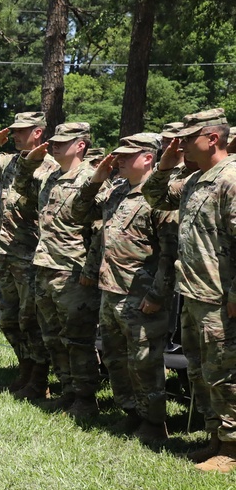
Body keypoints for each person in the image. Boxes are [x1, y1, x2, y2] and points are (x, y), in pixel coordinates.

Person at [143, 108, 236, 472]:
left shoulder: (230, 178)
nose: (181, 143)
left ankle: (231, 450)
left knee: (225, 373)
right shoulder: (197, 179)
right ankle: (216, 439)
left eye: (188, 137)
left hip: (219, 297)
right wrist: (166, 162)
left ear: (212, 138)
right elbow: (155, 194)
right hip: (194, 293)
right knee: (200, 372)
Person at [71, 132, 177, 442]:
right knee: (117, 359)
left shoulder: (160, 197)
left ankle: (155, 424)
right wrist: (95, 180)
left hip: (141, 294)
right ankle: (132, 414)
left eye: (126, 156)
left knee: (144, 362)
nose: (118, 160)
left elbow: (170, 254)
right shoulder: (116, 191)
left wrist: (157, 294)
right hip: (111, 290)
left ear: (147, 158)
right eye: (116, 155)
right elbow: (78, 212)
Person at [15, 122, 104, 417]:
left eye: (62, 141)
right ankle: (68, 391)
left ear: (81, 145)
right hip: (44, 265)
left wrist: (91, 269)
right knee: (52, 336)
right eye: (53, 140)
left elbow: (101, 228)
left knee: (77, 338)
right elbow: (19, 186)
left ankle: (86, 398)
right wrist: (29, 162)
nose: (54, 145)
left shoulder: (92, 177)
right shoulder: (50, 176)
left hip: (73, 269)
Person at [0, 111, 55, 397]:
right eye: (14, 130)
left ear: (38, 133)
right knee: (9, 319)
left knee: (30, 319)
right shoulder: (9, 161)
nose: (16, 135)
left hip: (31, 253)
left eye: (23, 130)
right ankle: (25, 368)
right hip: (6, 253)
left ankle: (39, 378)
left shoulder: (49, 166)